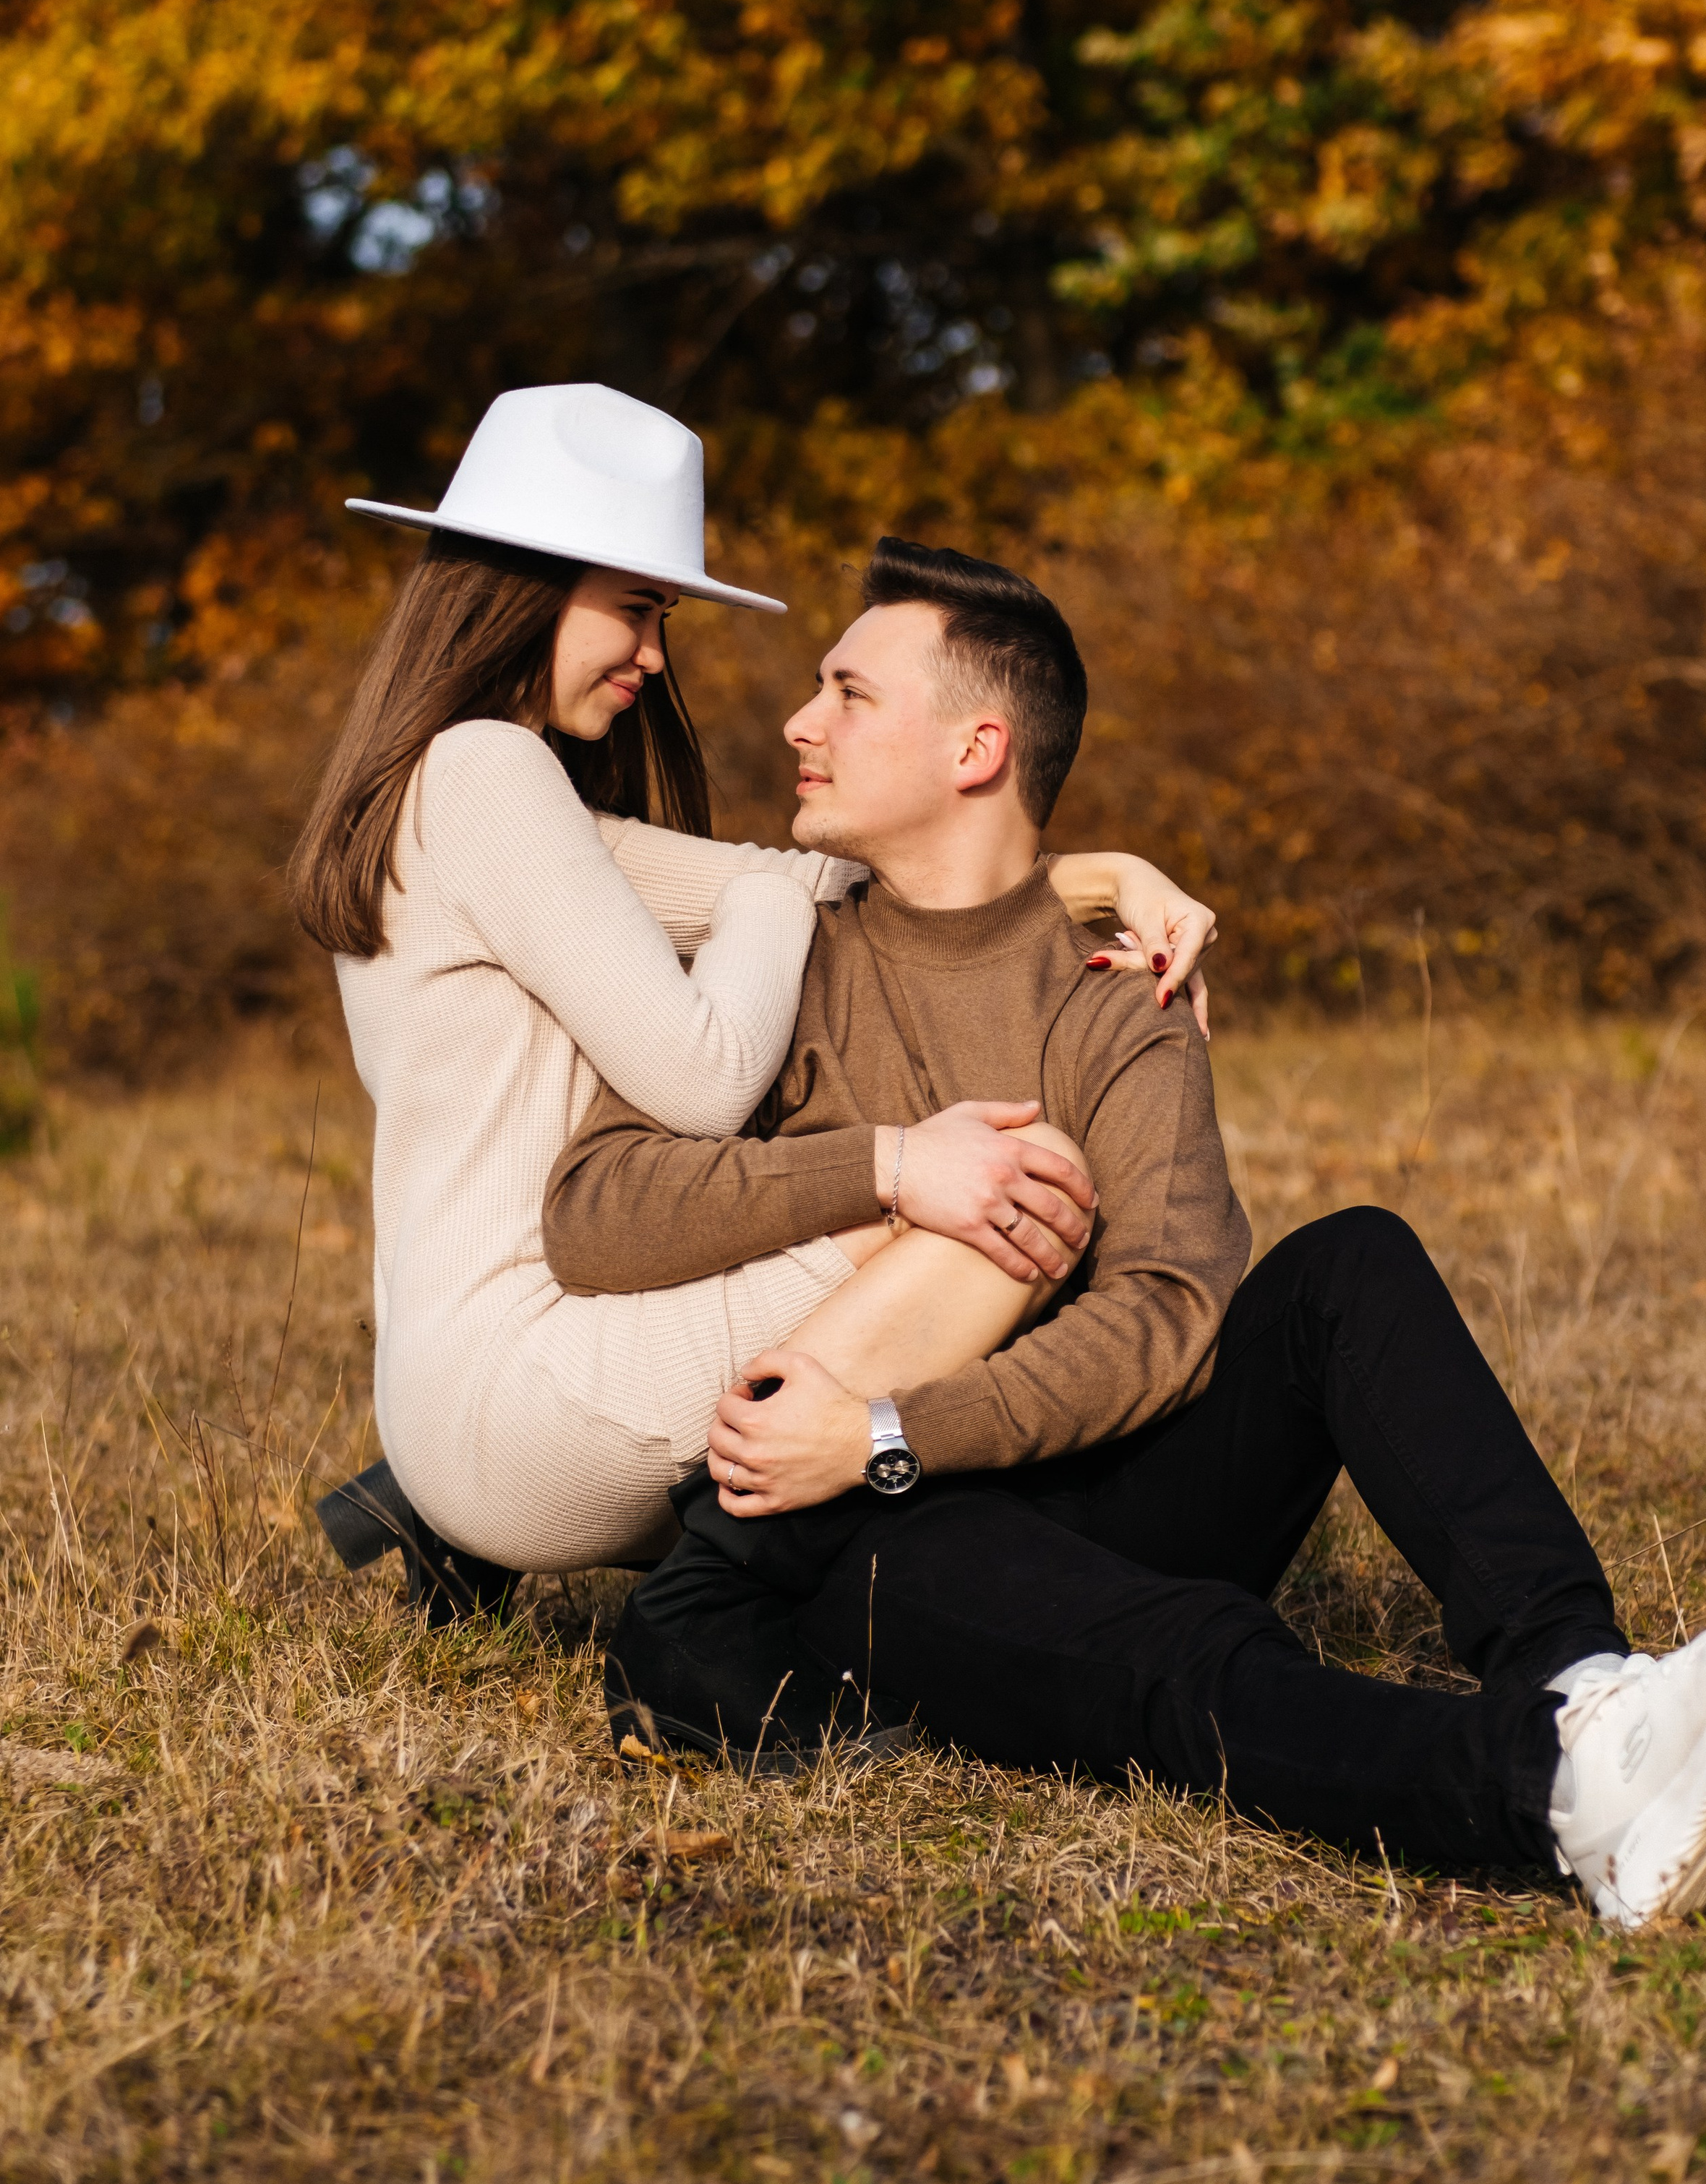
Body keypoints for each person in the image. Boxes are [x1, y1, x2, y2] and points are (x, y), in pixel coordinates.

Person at [544, 536, 1706, 1929]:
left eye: (849, 693)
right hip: (878, 1547)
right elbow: (595, 1212)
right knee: (1184, 1656)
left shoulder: (1113, 992)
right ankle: (1559, 1796)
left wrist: (891, 1421)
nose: (799, 723)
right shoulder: (775, 963)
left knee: (1352, 1261)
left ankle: (1594, 1691)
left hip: (986, 1460)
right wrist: (883, 1173)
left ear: (977, 744)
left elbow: (1169, 1309)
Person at [295, 381, 1217, 1614]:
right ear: (523, 584)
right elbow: (710, 1068)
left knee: (966, 1191)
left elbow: (822, 874)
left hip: (468, 1383)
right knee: (1010, 1197)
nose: (655, 654)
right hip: (523, 1389)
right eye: (635, 610)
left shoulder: (456, 788)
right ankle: (725, 1631)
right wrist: (896, 1161)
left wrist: (1096, 877)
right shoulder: (485, 772)